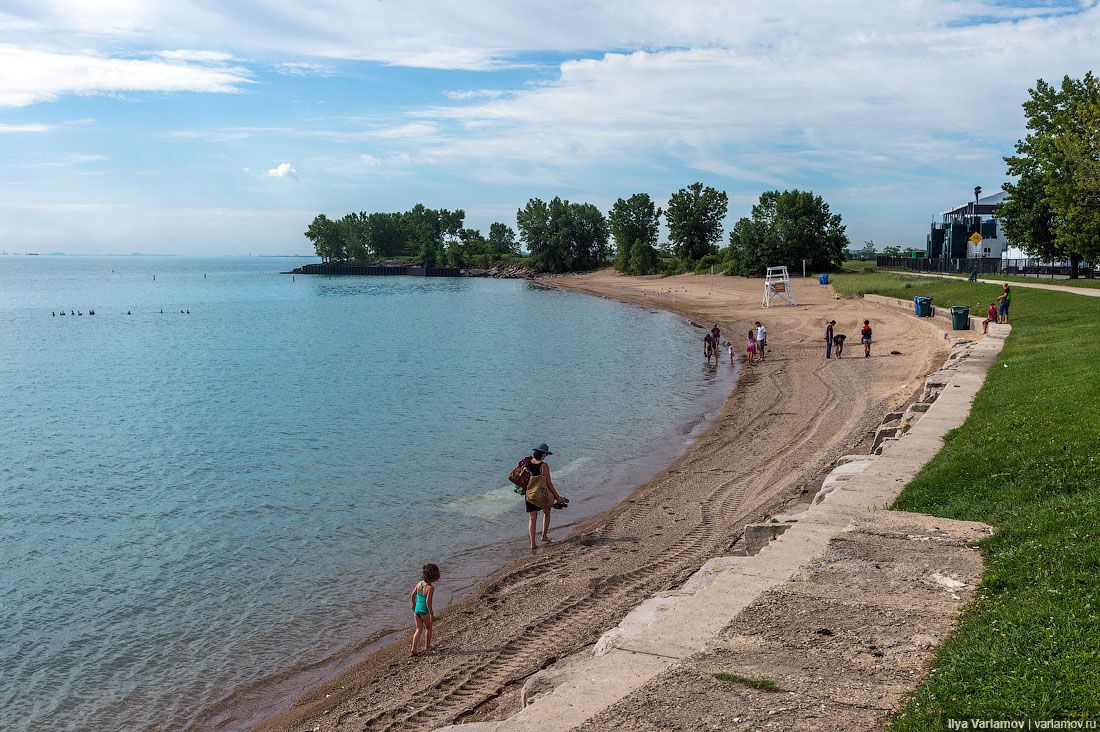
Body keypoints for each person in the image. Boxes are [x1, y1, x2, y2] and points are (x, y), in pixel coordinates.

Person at [524, 444, 565, 550]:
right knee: (547, 512)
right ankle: (544, 536)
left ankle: (533, 544)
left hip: (529, 494)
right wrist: (557, 497)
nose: (546, 456)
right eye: (546, 454)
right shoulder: (543, 466)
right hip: (541, 494)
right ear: (542, 454)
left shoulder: (528, 462)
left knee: (532, 519)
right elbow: (549, 483)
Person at [410, 563, 440, 656]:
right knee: (428, 629)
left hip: (417, 610)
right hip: (424, 611)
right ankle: (427, 647)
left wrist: (413, 605)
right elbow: (428, 602)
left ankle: (413, 648)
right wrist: (431, 614)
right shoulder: (430, 588)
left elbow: (412, 595)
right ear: (434, 577)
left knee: (418, 629)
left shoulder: (419, 583)